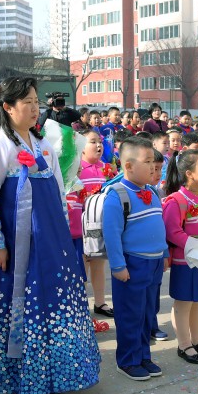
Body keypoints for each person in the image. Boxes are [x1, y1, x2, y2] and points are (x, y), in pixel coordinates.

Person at [0, 77, 100, 394]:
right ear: (8, 107)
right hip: (15, 244)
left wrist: (63, 235)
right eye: (28, 102)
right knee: (15, 305)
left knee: (48, 302)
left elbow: (58, 193)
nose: (36, 108)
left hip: (49, 242)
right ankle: (14, 381)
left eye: (37, 101)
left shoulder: (45, 144)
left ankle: (50, 373)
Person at [102, 136, 169, 381]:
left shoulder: (151, 191)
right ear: (128, 166)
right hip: (132, 264)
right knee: (130, 314)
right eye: (147, 161)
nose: (153, 166)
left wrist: (164, 253)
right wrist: (118, 266)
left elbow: (158, 226)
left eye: (154, 161)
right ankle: (128, 360)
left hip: (153, 264)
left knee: (147, 312)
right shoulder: (117, 195)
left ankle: (144, 356)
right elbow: (112, 234)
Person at [163, 149, 198, 365]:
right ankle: (184, 343)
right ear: (189, 173)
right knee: (184, 301)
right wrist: (195, 245)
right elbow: (172, 231)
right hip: (185, 260)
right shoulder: (176, 200)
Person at [79, 130, 116, 317]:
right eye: (92, 142)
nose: (98, 145)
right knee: (84, 262)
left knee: (99, 261)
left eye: (100, 141)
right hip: (83, 224)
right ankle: (81, 303)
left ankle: (100, 302)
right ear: (81, 147)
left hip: (101, 222)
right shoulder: (76, 168)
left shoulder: (106, 168)